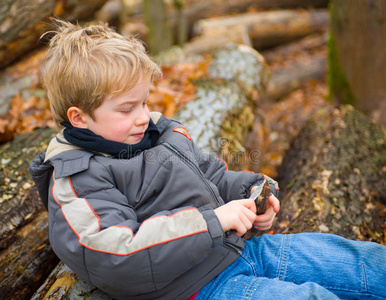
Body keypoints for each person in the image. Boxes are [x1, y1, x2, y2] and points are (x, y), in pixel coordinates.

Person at [29, 19, 386, 300]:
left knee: (360, 264)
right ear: (79, 117)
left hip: (242, 249)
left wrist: (252, 192)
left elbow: (211, 176)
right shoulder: (78, 180)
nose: (143, 115)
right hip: (197, 289)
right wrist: (213, 222)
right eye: (127, 109)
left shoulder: (159, 134)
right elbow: (116, 253)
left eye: (144, 102)